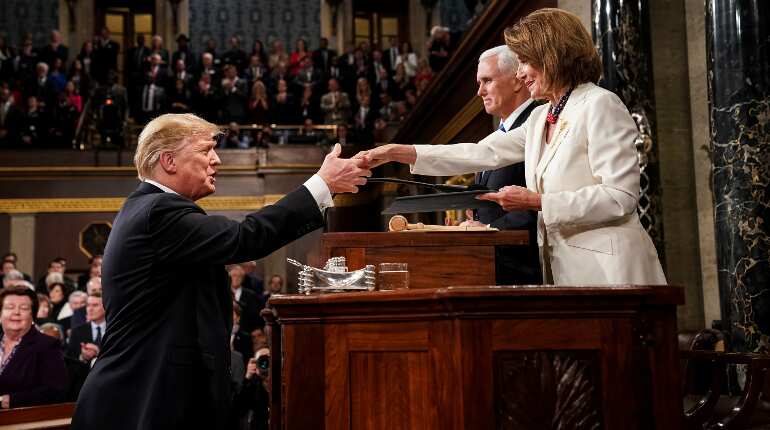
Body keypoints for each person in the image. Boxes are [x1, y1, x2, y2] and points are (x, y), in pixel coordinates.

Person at [71, 113, 370, 429]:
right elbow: (245, 238)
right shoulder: (158, 211)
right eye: (205, 151)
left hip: (151, 395)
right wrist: (321, 185)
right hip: (145, 400)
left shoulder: (151, 209)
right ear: (169, 161)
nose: (216, 161)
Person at [357, 8, 666, 285]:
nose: (520, 73)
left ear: (552, 55)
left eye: (525, 62)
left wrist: (538, 201)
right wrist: (396, 151)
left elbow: (619, 197)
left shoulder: (599, 104)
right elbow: (481, 153)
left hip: (613, 272)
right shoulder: (542, 116)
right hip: (567, 274)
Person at [458, 45, 541, 285]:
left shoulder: (537, 125)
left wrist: (486, 229)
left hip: (525, 271)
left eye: (487, 81)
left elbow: (537, 206)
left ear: (517, 81)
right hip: (494, 266)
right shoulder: (498, 133)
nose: (479, 91)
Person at [0, 286, 67, 409]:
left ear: (32, 316)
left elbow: (56, 391)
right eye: (10, 307)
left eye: (24, 308)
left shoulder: (47, 346)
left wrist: (12, 400)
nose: (16, 312)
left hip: (21, 419)